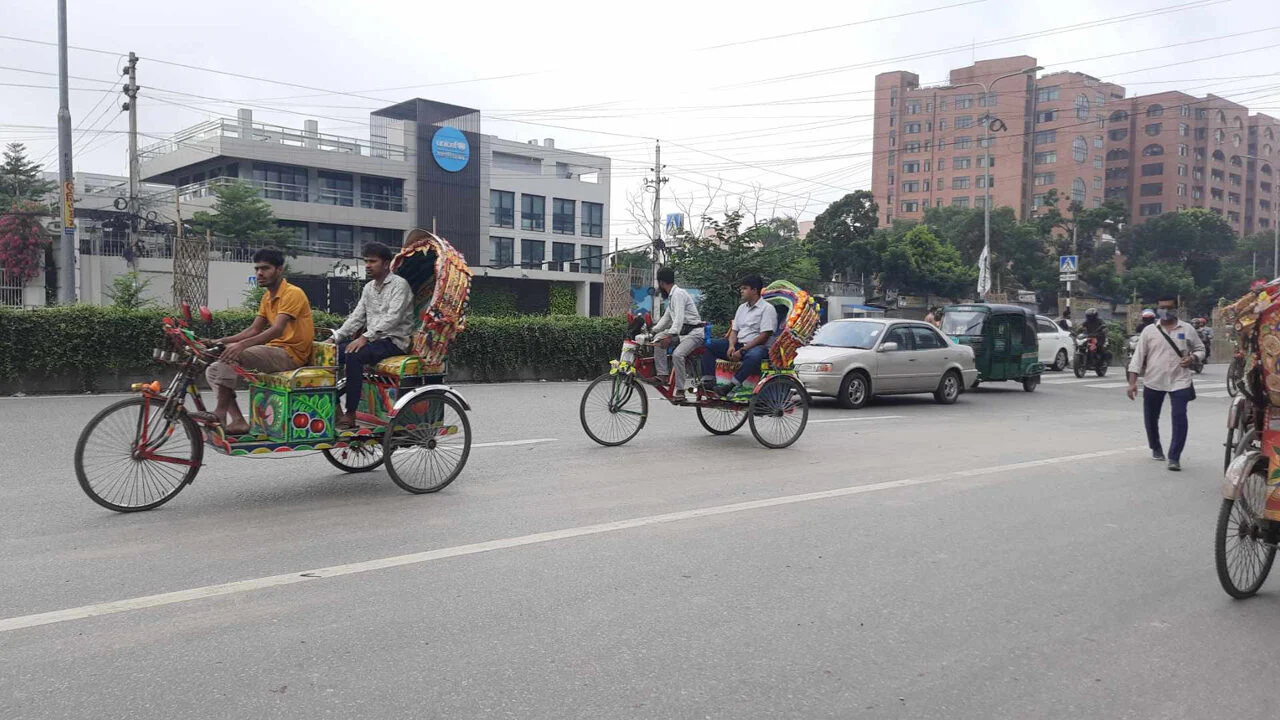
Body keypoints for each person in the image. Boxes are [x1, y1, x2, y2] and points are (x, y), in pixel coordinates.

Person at [205, 248, 314, 434]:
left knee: (230, 355)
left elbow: (277, 329)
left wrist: (240, 346)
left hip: (291, 355)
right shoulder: (267, 297)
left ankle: (220, 413)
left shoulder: (292, 293)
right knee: (213, 370)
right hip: (274, 351)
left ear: (279, 270)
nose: (259, 273)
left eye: (265, 268)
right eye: (257, 269)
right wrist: (218, 341)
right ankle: (238, 421)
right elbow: (254, 329)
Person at [332, 242, 415, 429]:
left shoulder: (399, 285)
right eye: (366, 261)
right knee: (332, 353)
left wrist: (365, 338)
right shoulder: (369, 287)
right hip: (374, 341)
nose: (368, 265)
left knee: (354, 355)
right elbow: (356, 317)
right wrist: (335, 337)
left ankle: (350, 413)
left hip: (394, 341)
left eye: (372, 261)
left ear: (386, 264)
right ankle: (335, 407)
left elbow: (393, 318)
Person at [1127, 296, 1206, 472]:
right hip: (1154, 380)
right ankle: (1155, 447)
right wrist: (1132, 383)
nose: (1165, 311)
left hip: (1180, 380)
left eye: (1169, 307)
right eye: (1161, 307)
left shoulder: (1187, 329)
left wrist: (1193, 357)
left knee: (1179, 416)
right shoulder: (1149, 331)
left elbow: (1201, 349)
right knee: (1150, 417)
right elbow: (1138, 357)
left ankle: (1174, 457)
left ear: (1176, 309)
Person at [701, 274, 777, 396]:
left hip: (757, 347)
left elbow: (764, 336)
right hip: (738, 345)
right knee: (709, 345)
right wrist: (731, 346)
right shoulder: (741, 308)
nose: (741, 291)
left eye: (744, 288)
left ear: (754, 290)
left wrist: (742, 350)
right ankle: (709, 382)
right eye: (741, 288)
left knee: (754, 356)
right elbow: (734, 330)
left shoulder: (767, 309)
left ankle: (730, 386)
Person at [647, 267, 704, 401]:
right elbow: (666, 319)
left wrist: (670, 335)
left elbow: (678, 319)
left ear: (661, 282)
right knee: (657, 340)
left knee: (678, 354)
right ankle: (662, 375)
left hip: (694, 334)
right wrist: (652, 331)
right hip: (682, 333)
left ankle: (680, 390)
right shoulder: (673, 296)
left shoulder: (678, 294)